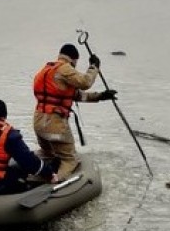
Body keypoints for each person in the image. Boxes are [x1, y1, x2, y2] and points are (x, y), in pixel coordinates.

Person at [33, 43, 117, 180]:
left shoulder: (46, 70)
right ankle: (56, 183)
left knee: (47, 153)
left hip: (38, 123)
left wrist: (101, 96)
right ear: (73, 59)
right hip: (55, 125)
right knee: (69, 159)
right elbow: (85, 82)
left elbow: (76, 96)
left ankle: (30, 173)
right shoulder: (65, 68)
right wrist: (94, 67)